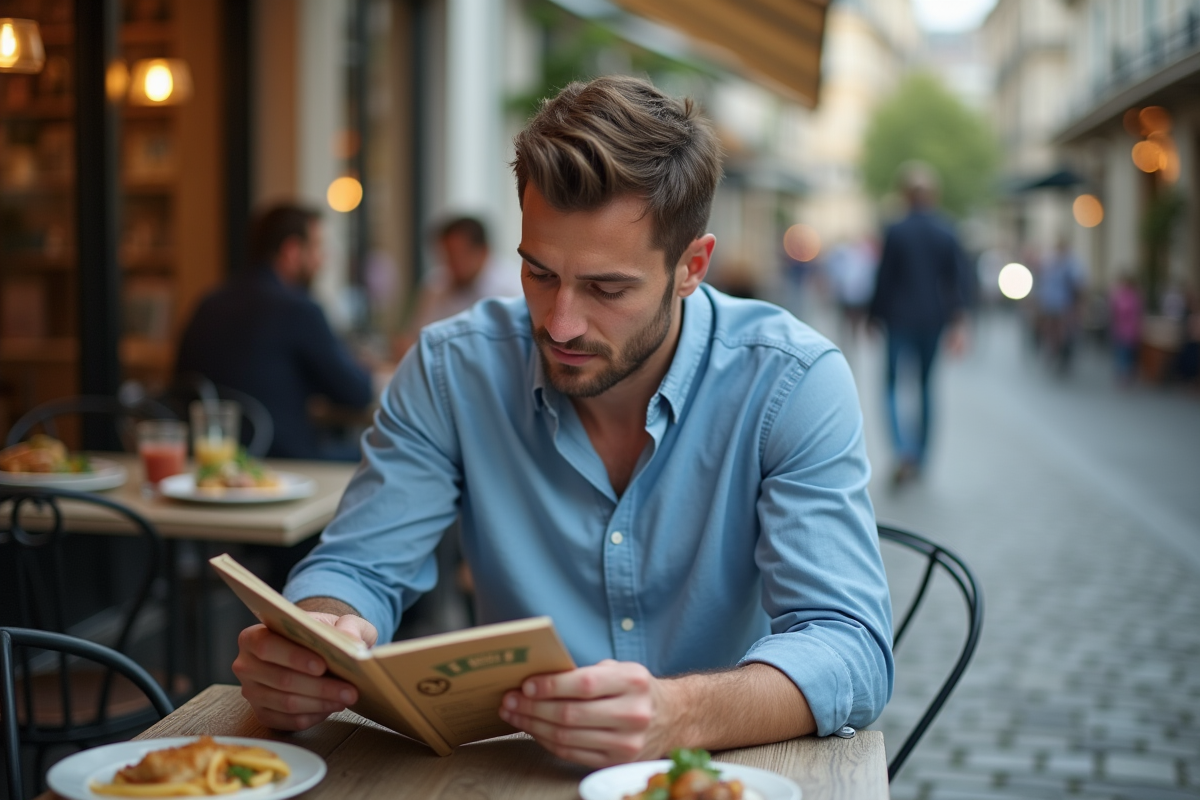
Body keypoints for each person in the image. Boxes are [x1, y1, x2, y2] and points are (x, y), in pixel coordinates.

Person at [231, 76, 893, 767]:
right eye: (540, 274)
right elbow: (358, 566)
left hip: (718, 773)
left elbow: (849, 646)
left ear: (691, 266)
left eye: (607, 288)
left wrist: (680, 714)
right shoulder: (452, 369)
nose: (561, 323)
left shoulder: (790, 380)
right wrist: (315, 637)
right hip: (516, 773)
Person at [175, 204, 374, 461]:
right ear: (292, 251)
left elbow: (182, 382)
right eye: (317, 248)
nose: (321, 260)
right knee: (379, 452)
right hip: (285, 460)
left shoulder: (207, 304)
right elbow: (357, 393)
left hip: (215, 458)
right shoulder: (299, 310)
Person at [868, 162, 968, 485]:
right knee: (926, 387)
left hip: (898, 319)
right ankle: (921, 456)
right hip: (933, 319)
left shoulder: (896, 230)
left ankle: (903, 451)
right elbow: (957, 281)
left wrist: (872, 315)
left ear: (905, 194)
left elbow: (884, 279)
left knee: (891, 385)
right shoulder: (946, 230)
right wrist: (959, 322)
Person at [394, 216, 523, 355]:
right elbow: (415, 337)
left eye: (460, 255)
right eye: (447, 255)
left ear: (483, 251)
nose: (453, 263)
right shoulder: (435, 286)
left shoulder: (512, 290)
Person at [1035, 239, 1086, 374]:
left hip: (1062, 304)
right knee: (1053, 331)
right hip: (1053, 303)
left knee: (1062, 331)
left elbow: (1077, 284)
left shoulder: (1069, 263)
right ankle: (1054, 352)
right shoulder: (1051, 262)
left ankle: (1060, 354)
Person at [1109, 273, 1142, 385]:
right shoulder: (1118, 295)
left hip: (1130, 330)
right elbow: (1113, 311)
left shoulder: (1134, 297)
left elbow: (1137, 314)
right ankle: (1121, 373)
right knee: (1120, 352)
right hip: (1119, 329)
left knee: (1127, 353)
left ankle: (1126, 374)